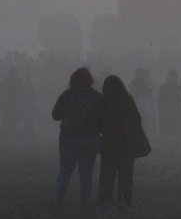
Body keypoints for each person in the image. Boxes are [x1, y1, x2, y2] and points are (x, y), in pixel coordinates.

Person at [52, 68, 103, 206]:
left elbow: (55, 116)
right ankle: (83, 202)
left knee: (65, 171)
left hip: (68, 139)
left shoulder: (67, 95)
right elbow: (104, 119)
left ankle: (59, 200)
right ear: (90, 80)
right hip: (90, 139)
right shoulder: (96, 96)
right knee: (86, 173)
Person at [98, 75, 142, 207]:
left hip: (108, 144)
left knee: (107, 174)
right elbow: (137, 119)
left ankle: (105, 201)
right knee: (126, 175)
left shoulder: (103, 101)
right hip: (126, 144)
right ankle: (125, 201)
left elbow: (98, 123)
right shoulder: (127, 100)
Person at [129, 68, 157, 140]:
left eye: (142, 74)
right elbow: (132, 92)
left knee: (145, 123)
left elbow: (152, 89)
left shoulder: (146, 82)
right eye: (139, 73)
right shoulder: (133, 82)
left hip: (145, 108)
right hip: (136, 106)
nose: (141, 75)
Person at [157, 69, 181, 141]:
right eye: (171, 76)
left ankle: (175, 143)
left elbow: (180, 100)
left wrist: (178, 109)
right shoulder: (163, 87)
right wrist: (162, 109)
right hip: (165, 112)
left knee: (175, 129)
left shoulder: (178, 88)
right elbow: (159, 100)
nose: (172, 78)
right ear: (168, 77)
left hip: (175, 111)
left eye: (174, 77)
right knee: (165, 129)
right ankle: (165, 143)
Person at [0, 67, 24, 136]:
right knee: (9, 118)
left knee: (13, 118)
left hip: (13, 104)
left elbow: (21, 92)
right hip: (10, 103)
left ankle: (10, 132)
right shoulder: (15, 81)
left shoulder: (7, 81)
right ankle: (8, 132)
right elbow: (2, 92)